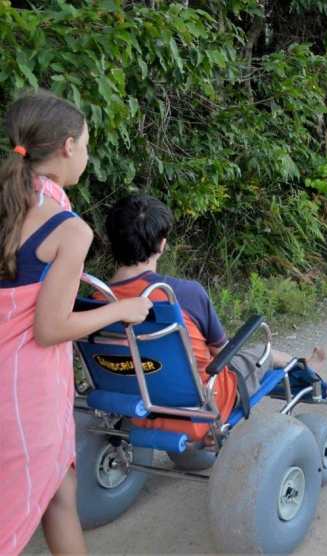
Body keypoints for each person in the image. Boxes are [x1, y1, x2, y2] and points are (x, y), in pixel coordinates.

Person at [0, 90, 152, 555]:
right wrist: (122, 310)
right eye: (86, 144)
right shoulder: (68, 228)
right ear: (67, 146)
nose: (86, 154)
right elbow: (50, 328)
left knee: (59, 493)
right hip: (26, 389)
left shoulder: (8, 206)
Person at [100, 194, 327, 442]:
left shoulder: (96, 300)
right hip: (201, 404)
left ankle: (301, 364)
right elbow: (222, 352)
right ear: (162, 245)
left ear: (111, 240)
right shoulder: (183, 293)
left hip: (131, 399)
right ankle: (304, 367)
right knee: (264, 353)